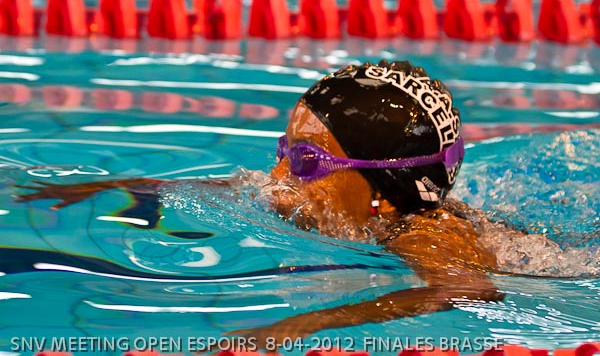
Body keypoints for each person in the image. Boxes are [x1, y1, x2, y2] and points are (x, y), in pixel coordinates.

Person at [14, 60, 504, 346]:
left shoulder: (427, 235)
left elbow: (466, 291)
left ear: (384, 187)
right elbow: (232, 189)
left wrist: (302, 325)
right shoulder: (323, 204)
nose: (278, 176)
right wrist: (124, 185)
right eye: (284, 151)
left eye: (307, 161)